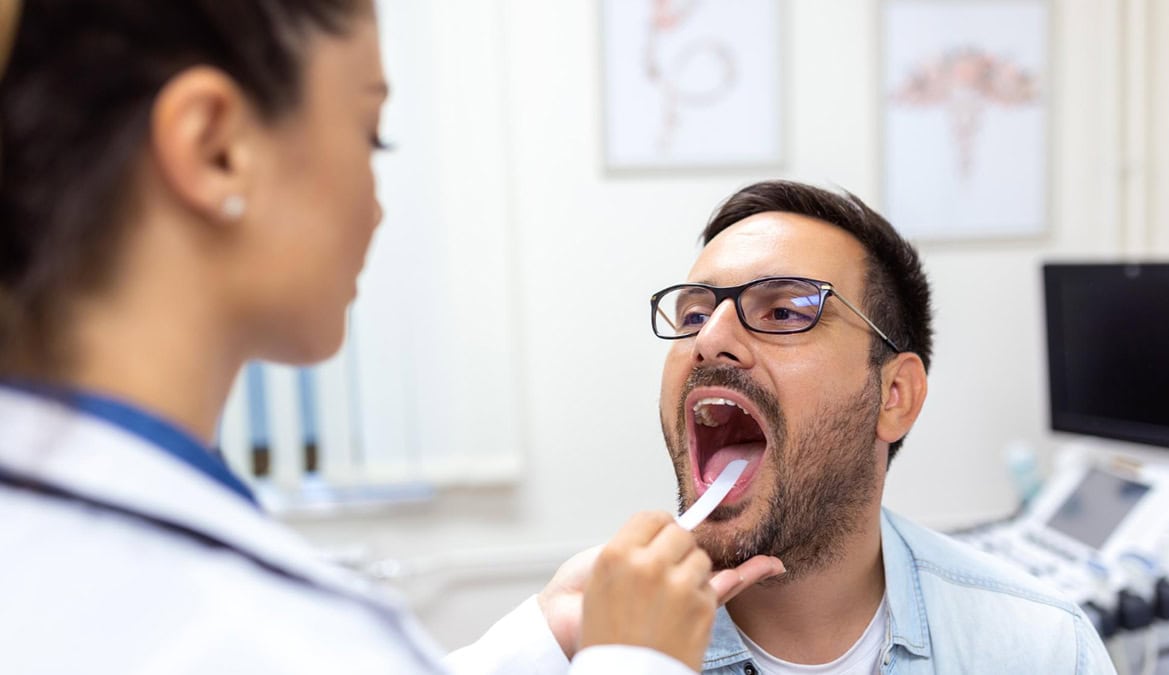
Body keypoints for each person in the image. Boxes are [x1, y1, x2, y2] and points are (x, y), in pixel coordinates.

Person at [0, 1, 781, 673]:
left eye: (784, 312)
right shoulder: (258, 630)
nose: (376, 208)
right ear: (215, 146)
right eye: (372, 134)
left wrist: (556, 636)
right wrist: (634, 662)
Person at [651, 180, 1117, 673]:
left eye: (785, 312)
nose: (710, 338)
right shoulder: (586, 646)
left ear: (895, 395)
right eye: (694, 315)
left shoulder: (1043, 650)